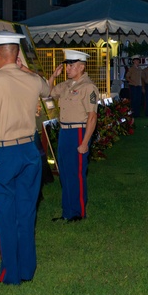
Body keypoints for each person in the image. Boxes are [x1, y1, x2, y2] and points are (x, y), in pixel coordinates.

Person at [0, 31, 47, 285]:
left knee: (5, 215)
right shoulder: (33, 80)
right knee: (26, 212)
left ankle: (11, 274)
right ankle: (27, 270)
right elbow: (47, 88)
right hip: (29, 150)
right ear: (17, 55)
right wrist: (26, 71)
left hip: (2, 153)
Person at [48, 50, 99, 222]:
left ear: (82, 67)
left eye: (71, 65)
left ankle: (78, 212)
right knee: (65, 173)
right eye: (67, 65)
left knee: (76, 173)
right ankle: (67, 211)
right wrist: (54, 75)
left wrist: (85, 142)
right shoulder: (66, 85)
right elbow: (47, 93)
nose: (67, 68)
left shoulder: (88, 87)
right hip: (65, 131)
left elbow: (92, 117)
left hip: (78, 131)